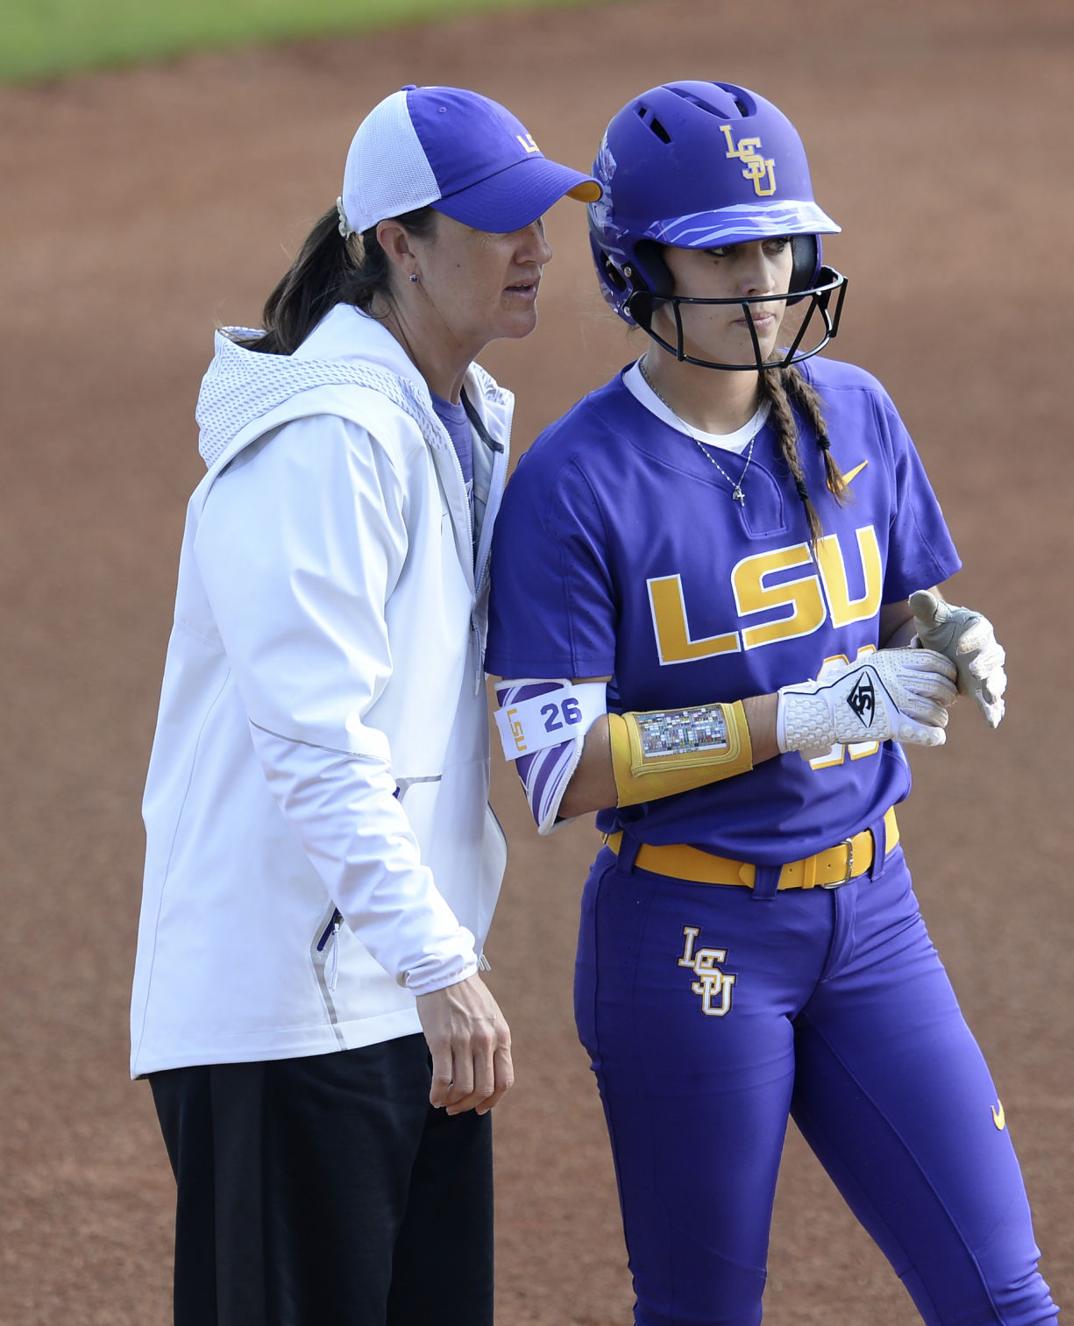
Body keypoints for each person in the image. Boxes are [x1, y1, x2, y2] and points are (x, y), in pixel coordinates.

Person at [485, 81, 1057, 1325]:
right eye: (724, 250)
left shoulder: (855, 411)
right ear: (637, 270)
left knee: (1004, 1299)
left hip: (875, 916)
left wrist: (949, 631)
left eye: (781, 244)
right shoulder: (572, 486)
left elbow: (900, 606)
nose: (765, 276)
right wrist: (795, 716)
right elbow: (557, 770)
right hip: (691, 942)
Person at [129, 85, 599, 1325]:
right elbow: (312, 738)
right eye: (501, 224)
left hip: (388, 988)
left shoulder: (447, 418)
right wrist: (441, 961)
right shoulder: (328, 437)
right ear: (396, 241)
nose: (538, 249)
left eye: (544, 216)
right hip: (289, 1013)